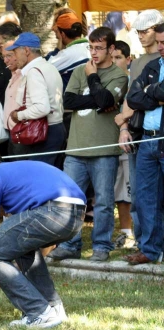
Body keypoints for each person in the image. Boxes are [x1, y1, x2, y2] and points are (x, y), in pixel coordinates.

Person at [0, 149, 86, 328]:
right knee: (23, 249)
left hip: (52, 211)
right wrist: (8, 273)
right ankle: (54, 310)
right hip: (76, 215)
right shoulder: (19, 172)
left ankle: (38, 311)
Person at [48, 27, 128, 262]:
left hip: (103, 149)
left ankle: (101, 245)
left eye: (99, 48)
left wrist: (93, 78)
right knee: (70, 199)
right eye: (90, 48)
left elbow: (105, 99)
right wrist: (97, 101)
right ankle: (70, 244)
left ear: (111, 49)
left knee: (103, 201)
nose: (93, 53)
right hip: (76, 148)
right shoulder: (78, 72)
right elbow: (69, 101)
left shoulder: (119, 75)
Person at [115, 9, 164, 253]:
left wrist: (147, 94)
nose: (141, 36)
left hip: (159, 137)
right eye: (138, 32)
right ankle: (147, 247)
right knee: (142, 197)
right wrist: (124, 126)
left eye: (145, 31)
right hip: (142, 136)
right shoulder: (142, 63)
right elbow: (131, 98)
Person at [6, 32, 66, 166]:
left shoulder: (34, 72)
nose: (15, 58)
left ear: (26, 50)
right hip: (55, 128)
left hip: (43, 132)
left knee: (38, 178)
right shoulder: (49, 67)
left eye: (16, 52)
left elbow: (42, 108)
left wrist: (18, 115)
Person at [111, 40, 134, 249]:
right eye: (112, 58)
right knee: (120, 190)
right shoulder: (109, 82)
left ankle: (140, 231)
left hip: (132, 142)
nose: (114, 61)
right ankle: (125, 231)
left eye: (118, 57)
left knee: (133, 188)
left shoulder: (132, 81)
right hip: (111, 143)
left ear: (128, 59)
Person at [46, 12, 89, 91]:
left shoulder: (68, 54)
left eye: (57, 34)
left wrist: (58, 49)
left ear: (62, 34)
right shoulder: (92, 47)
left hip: (73, 100)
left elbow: (43, 67)